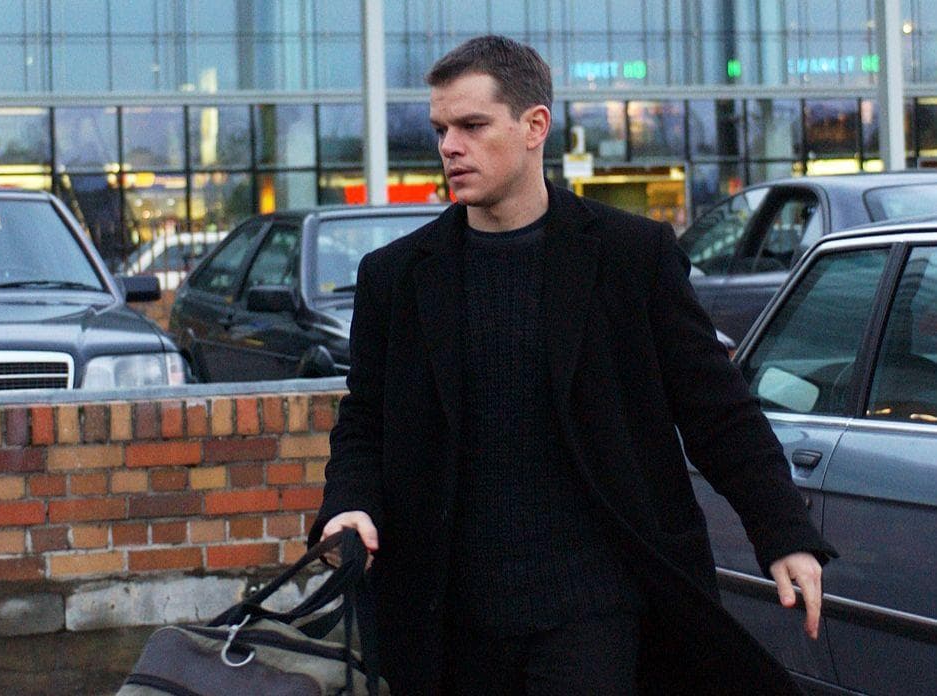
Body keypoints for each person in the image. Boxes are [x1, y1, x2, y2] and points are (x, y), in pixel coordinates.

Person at [309, 35, 835, 695]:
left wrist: (784, 531)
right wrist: (350, 504)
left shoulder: (630, 256)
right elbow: (365, 420)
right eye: (441, 129)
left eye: (472, 126)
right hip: (450, 617)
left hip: (596, 606)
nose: (449, 147)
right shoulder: (398, 276)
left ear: (535, 126)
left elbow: (716, 409)